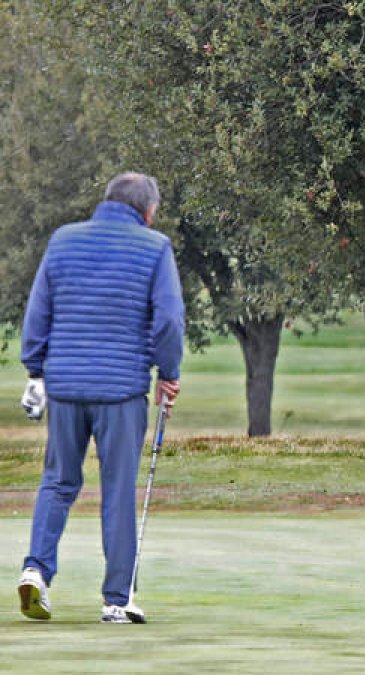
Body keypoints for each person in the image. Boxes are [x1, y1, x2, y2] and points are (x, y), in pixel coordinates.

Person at [16, 172, 185, 624]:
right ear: (147, 212)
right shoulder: (155, 247)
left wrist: (35, 368)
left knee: (58, 481)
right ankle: (116, 599)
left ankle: (35, 570)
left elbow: (39, 310)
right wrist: (169, 374)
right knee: (116, 491)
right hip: (121, 390)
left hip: (66, 386)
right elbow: (168, 320)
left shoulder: (63, 240)